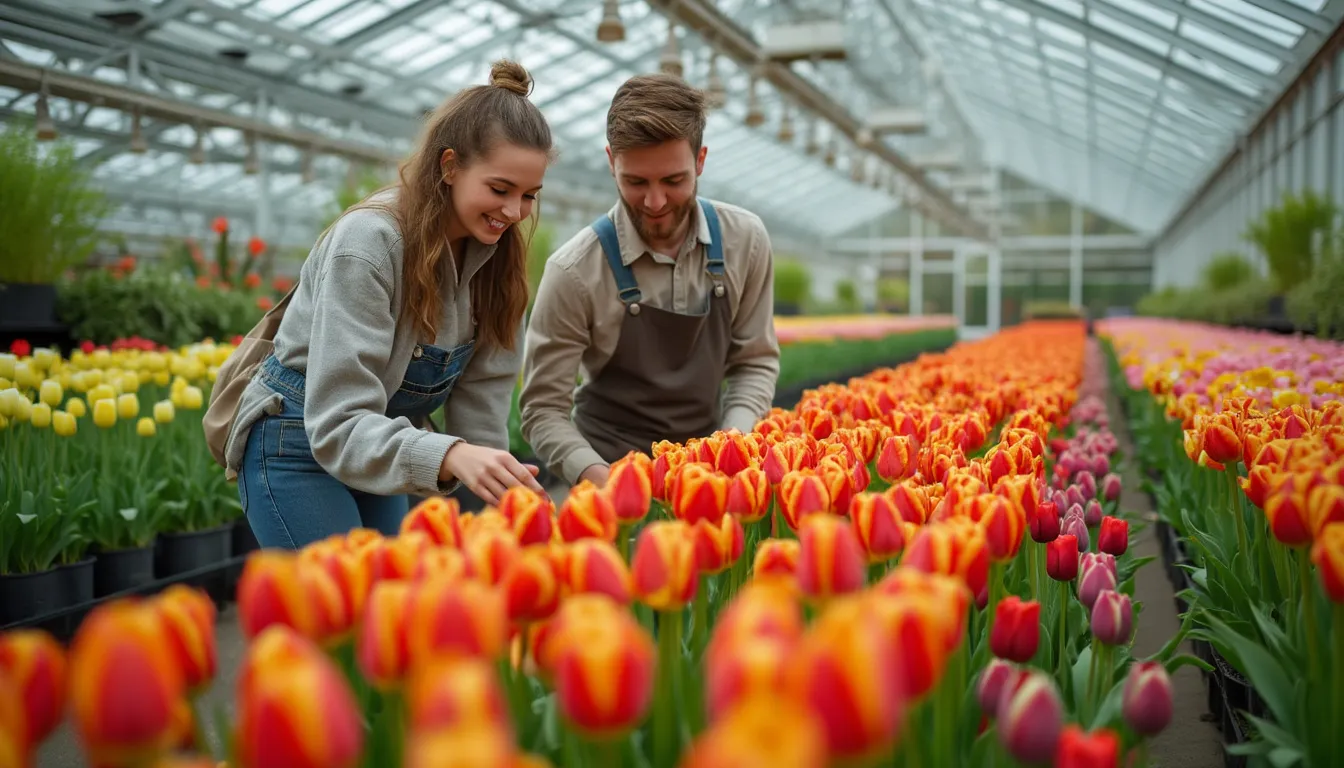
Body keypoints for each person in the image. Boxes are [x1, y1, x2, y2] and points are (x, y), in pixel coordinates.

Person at [223, 60, 551, 550]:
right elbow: (337, 422)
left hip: (379, 441)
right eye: (500, 189)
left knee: (394, 593)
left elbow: (483, 406)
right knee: (346, 597)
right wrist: (452, 455)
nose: (513, 211)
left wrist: (501, 499)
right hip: (299, 440)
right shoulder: (370, 243)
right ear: (449, 166)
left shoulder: (498, 265)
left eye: (528, 196)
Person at [519, 73, 781, 488]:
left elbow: (755, 361)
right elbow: (543, 410)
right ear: (611, 162)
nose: (655, 202)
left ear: (700, 160)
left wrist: (731, 445)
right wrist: (608, 483)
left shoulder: (744, 240)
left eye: (674, 181)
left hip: (708, 474)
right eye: (635, 182)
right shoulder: (574, 271)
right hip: (608, 474)